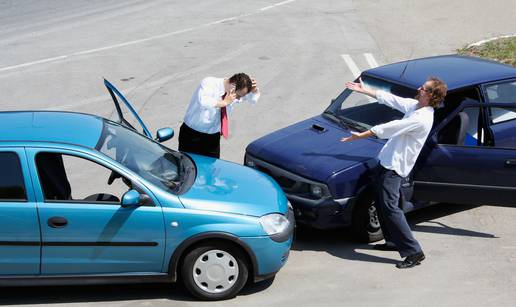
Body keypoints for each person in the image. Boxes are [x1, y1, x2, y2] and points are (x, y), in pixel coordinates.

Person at [341, 76, 447, 269]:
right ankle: (392, 242)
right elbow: (391, 99)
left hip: (394, 168)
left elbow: (391, 128)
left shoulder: (421, 118)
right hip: (387, 162)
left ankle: (414, 252)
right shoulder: (416, 106)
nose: (419, 88)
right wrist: (364, 91)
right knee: (383, 203)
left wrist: (362, 135)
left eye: (423, 88)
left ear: (431, 95)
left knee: (390, 208)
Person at [178, 73, 260, 158]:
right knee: (187, 167)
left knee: (212, 168)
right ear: (233, 85)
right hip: (192, 135)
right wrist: (224, 102)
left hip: (213, 138)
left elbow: (252, 101)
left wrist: (255, 91)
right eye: (238, 95)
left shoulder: (232, 94)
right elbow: (203, 101)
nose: (238, 99)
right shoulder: (209, 82)